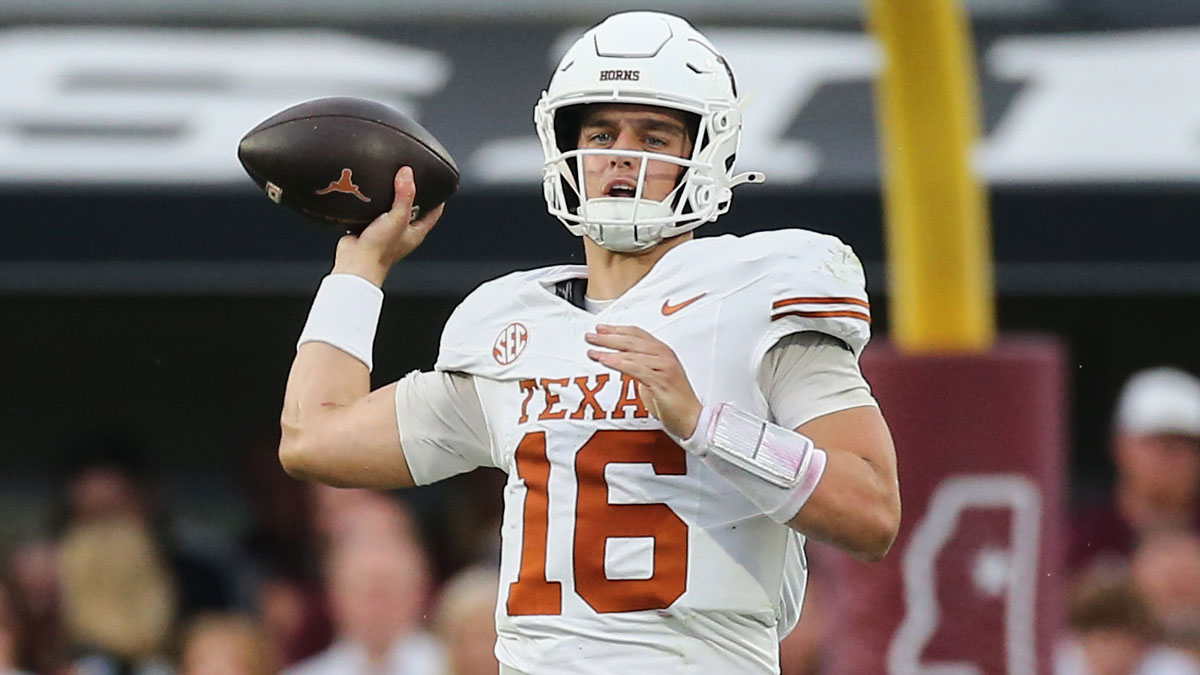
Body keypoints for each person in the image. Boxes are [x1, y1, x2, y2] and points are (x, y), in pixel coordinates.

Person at [277, 11, 901, 674]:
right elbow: (313, 437)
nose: (621, 154)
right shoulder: (512, 329)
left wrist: (705, 423)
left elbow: (872, 509)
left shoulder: (757, 295)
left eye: (654, 134)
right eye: (601, 132)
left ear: (706, 152)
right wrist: (359, 268)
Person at [1070, 367, 1200, 574]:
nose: (1174, 457)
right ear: (1120, 444)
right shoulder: (1079, 538)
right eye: (1159, 443)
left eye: (1190, 445)